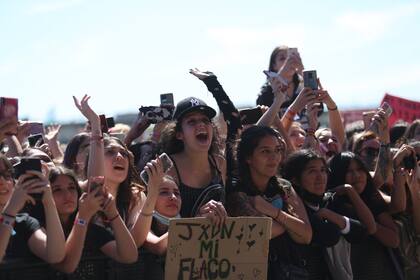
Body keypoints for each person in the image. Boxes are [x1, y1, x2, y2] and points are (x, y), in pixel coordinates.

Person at [227, 125, 312, 280]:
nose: (274, 157)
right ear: (248, 157)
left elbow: (306, 235)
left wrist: (273, 212)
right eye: (265, 151)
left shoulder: (284, 186)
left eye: (277, 150)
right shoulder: (236, 190)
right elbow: (260, 233)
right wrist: (290, 224)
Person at [282, 149, 376, 279]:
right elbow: (329, 235)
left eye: (323, 170)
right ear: (296, 180)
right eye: (312, 171)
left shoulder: (330, 201)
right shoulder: (292, 209)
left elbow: (361, 231)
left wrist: (330, 215)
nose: (320, 177)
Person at [73, 95, 147, 244]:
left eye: (123, 153)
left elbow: (135, 243)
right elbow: (96, 183)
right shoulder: (79, 190)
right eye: (110, 152)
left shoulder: (135, 196)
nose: (119, 157)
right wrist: (95, 124)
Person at [48, 166, 137, 274]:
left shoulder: (91, 230)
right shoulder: (41, 229)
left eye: (71, 188)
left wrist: (112, 212)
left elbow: (129, 256)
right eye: (57, 190)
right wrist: (82, 217)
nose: (67, 195)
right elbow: (67, 267)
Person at [328, 152, 401, 280]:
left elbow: (393, 240)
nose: (356, 176)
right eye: (349, 171)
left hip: (381, 272)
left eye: (360, 169)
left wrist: (353, 195)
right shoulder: (331, 203)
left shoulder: (371, 198)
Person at [160, 96, 227, 222]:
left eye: (205, 120)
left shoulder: (220, 163)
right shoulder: (168, 167)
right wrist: (197, 220)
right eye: (192, 122)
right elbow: (161, 224)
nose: (201, 124)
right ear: (179, 134)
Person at [0, 154, 65, 263]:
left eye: (6, 175)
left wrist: (48, 201)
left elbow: (56, 256)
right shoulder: (11, 214)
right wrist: (10, 211)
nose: (2, 181)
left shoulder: (23, 223)